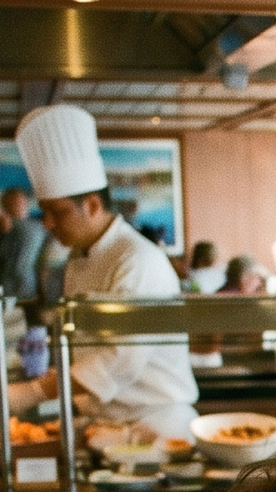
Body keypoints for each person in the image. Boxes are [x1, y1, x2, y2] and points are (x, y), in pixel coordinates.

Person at [12, 105, 198, 437]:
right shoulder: (77, 257)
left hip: (153, 424)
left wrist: (35, 392)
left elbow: (120, 358)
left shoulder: (137, 259)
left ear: (93, 205)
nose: (48, 224)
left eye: (58, 212)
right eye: (44, 213)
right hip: (102, 422)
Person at [0, 187, 48, 303]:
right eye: (12, 202)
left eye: (20, 202)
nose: (17, 205)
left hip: (29, 287)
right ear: (4, 205)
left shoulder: (39, 227)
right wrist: (1, 234)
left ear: (27, 203)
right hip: (3, 286)